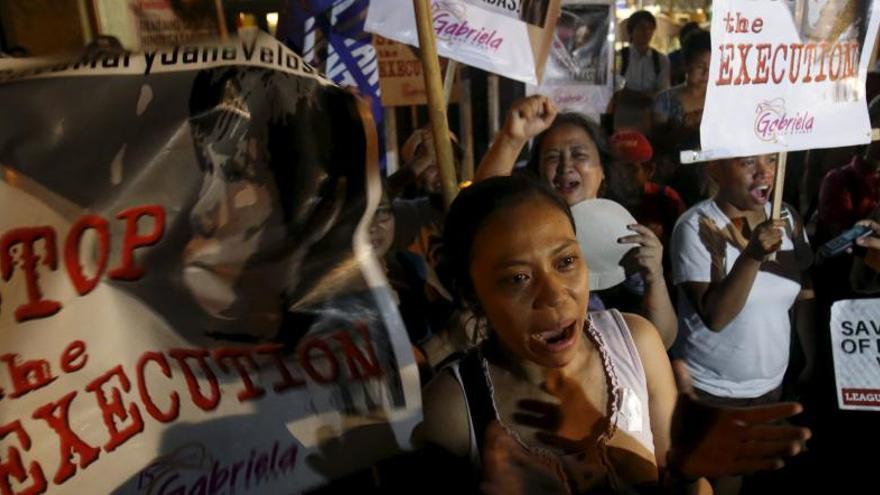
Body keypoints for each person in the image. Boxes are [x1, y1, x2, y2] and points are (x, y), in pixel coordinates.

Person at [415, 175, 809, 494]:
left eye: (566, 261)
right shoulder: (452, 413)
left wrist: (687, 475)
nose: (555, 296)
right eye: (518, 278)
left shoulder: (636, 344)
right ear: (472, 295)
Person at [476, 95, 678, 349]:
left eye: (579, 154)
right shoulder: (523, 237)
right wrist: (512, 138)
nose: (565, 166)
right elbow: (479, 210)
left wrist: (655, 277)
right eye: (552, 157)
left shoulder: (626, 237)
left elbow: (662, 340)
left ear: (603, 171)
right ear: (538, 174)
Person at [669, 154, 814, 495]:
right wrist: (752, 256)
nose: (765, 172)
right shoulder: (696, 226)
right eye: (749, 162)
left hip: (770, 387)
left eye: (771, 160)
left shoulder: (787, 217)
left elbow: (804, 282)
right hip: (713, 392)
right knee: (714, 483)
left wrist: (811, 359)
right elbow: (716, 316)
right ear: (714, 168)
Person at [652, 30, 712, 204]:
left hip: (711, 180)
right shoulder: (665, 100)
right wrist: (683, 130)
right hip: (675, 180)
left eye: (712, 66)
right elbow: (657, 143)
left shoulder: (722, 101)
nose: (707, 73)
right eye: (701, 66)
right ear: (686, 65)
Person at [606, 128, 686, 245]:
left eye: (630, 169)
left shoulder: (666, 198)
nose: (622, 176)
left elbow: (685, 242)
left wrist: (658, 238)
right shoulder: (600, 199)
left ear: (649, 170)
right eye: (616, 169)